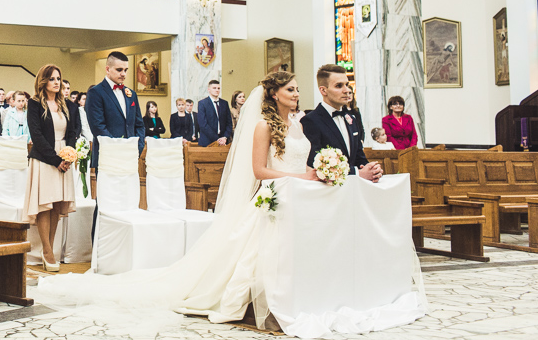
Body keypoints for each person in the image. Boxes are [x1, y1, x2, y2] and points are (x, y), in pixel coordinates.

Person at [35, 71, 426, 336]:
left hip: (300, 193)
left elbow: (304, 160)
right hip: (276, 195)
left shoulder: (299, 123)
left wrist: (322, 171)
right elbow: (259, 170)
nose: (296, 94)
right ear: (274, 94)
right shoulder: (262, 125)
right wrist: (302, 177)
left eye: (297, 90)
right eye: (290, 90)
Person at [22, 65, 80, 271]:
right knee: (45, 204)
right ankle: (46, 250)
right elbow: (36, 135)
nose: (57, 82)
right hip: (44, 158)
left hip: (63, 158)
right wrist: (56, 160)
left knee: (56, 204)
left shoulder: (66, 105)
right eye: (52, 79)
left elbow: (72, 132)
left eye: (58, 78)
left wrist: (68, 154)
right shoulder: (35, 104)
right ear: (43, 81)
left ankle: (51, 246)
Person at [85, 52, 145, 238]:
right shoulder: (96, 93)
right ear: (107, 69)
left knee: (128, 202)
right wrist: (117, 150)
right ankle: (99, 245)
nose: (123, 74)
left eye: (126, 70)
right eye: (119, 70)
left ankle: (123, 244)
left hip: (128, 159)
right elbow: (98, 126)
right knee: (106, 202)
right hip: (108, 158)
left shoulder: (131, 94)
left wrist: (135, 149)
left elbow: (139, 125)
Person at [302, 64, 382, 182]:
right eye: (339, 86)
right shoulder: (311, 120)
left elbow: (358, 156)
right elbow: (315, 163)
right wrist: (357, 173)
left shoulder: (351, 118)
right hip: (329, 188)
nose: (347, 90)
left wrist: (371, 170)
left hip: (354, 186)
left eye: (347, 85)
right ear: (323, 90)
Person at [197, 80, 232, 147]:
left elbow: (229, 123)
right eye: (214, 88)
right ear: (209, 89)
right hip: (207, 141)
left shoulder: (224, 103)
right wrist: (217, 139)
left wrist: (225, 137)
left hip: (224, 141)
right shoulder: (202, 103)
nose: (217, 90)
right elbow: (203, 124)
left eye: (218, 88)